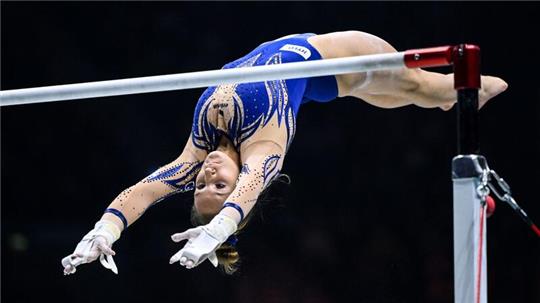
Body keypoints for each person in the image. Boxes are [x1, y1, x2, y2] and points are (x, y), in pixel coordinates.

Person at [61, 31, 508, 275]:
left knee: (411, 91)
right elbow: (250, 186)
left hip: (319, 79)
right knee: (418, 86)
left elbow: (142, 192)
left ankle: (454, 94)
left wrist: (105, 230)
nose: (209, 173)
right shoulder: (265, 149)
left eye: (202, 184)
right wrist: (220, 227)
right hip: (333, 57)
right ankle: (463, 90)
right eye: (220, 186)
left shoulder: (196, 154)